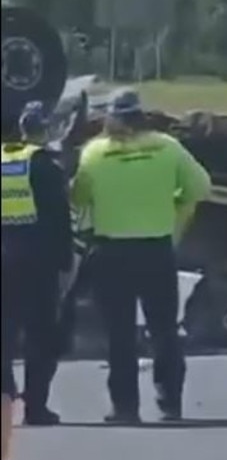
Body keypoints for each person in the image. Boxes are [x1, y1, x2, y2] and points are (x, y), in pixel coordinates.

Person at [71, 89, 211, 424]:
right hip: (156, 248)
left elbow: (79, 199)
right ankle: (170, 402)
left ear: (112, 118)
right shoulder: (167, 147)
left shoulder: (94, 153)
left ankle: (125, 408)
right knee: (163, 329)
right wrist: (173, 206)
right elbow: (201, 187)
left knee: (118, 333)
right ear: (142, 115)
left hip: (112, 251)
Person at [1, 101, 74, 427]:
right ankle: (36, 407)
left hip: (4, 259)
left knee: (5, 333)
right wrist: (65, 262)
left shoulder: (3, 161)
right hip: (38, 262)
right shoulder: (46, 166)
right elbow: (59, 220)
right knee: (41, 337)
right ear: (44, 130)